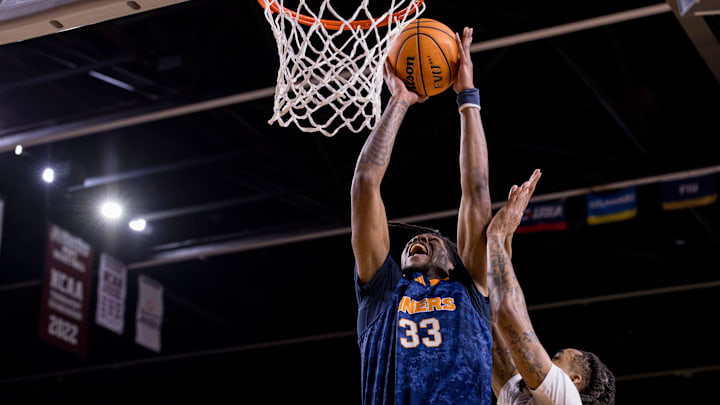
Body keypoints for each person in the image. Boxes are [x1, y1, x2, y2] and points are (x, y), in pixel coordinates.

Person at [351, 27, 493, 404]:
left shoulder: (470, 291)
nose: (419, 240)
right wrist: (399, 99)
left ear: (452, 262)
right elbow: (366, 183)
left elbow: (476, 190)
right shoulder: (382, 294)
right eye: (416, 240)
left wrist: (467, 97)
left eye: (433, 242)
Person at [486, 170, 616, 405]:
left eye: (556, 358)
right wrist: (505, 237)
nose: (544, 358)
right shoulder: (527, 400)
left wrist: (495, 235)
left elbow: (507, 313)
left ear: (573, 380)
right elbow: (495, 325)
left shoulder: (567, 400)